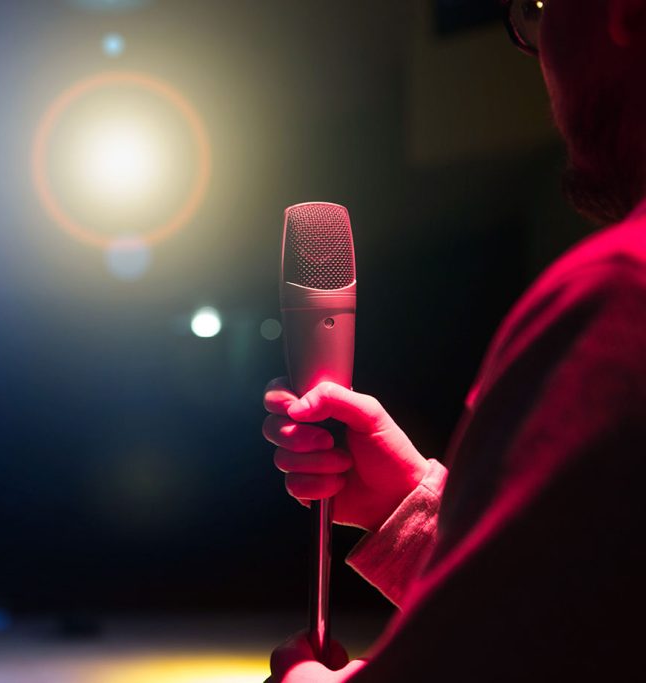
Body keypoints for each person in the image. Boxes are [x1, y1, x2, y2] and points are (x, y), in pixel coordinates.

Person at [262, 1, 646, 680]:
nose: (535, 49)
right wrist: (404, 503)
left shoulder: (622, 293)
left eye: (541, 7)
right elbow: (567, 626)